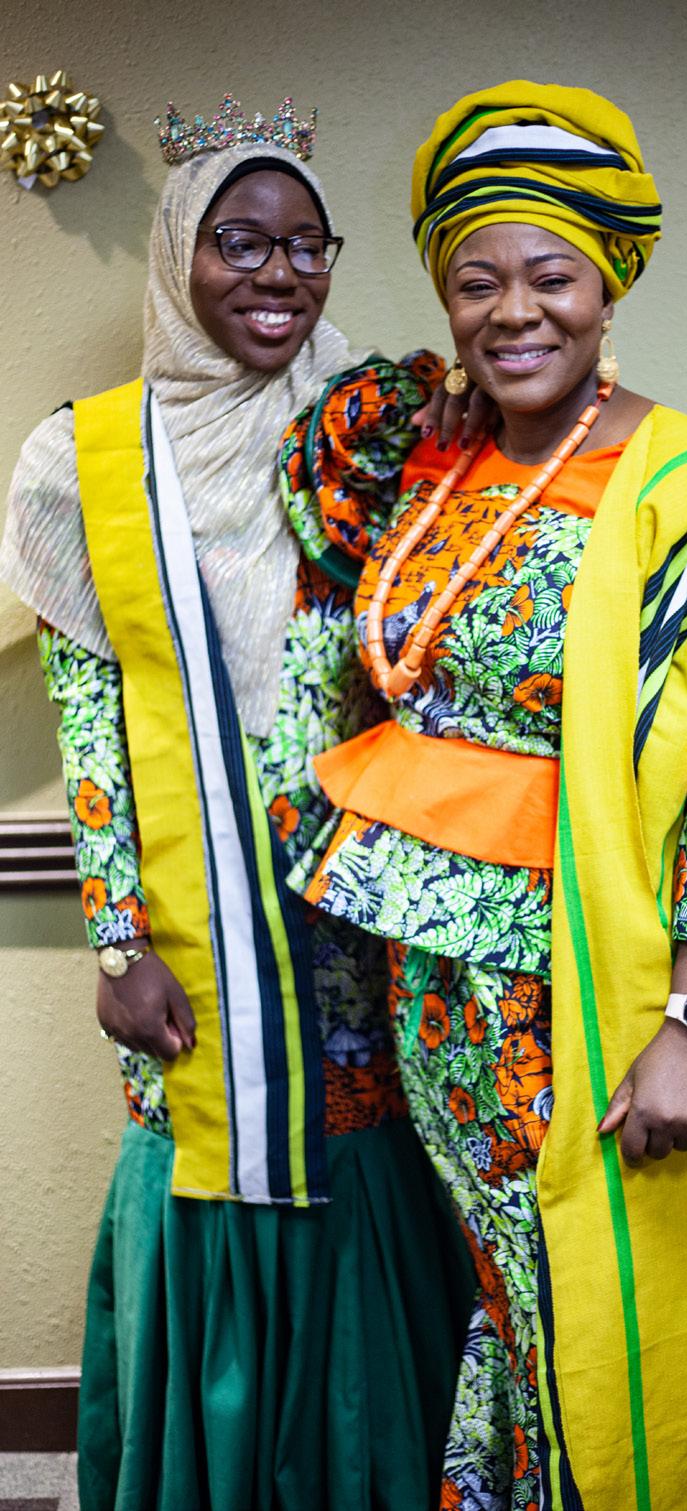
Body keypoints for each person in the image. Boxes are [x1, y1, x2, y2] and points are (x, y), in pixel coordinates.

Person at [278, 82, 687, 1510]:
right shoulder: (442, 457)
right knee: (507, 1284)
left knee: (583, 1293)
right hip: (430, 973)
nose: (514, 312)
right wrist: (422, 384)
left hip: (575, 983)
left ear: (609, 283)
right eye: (475, 281)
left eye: (551, 276)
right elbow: (319, 472)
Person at [0, 104, 474, 1511]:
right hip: (191, 907)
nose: (279, 276)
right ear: (177, 256)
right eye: (240, 243)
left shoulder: (387, 430)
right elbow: (90, 715)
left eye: (307, 246)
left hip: (364, 891)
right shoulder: (82, 461)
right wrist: (116, 939)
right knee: (213, 1148)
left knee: (368, 1152)